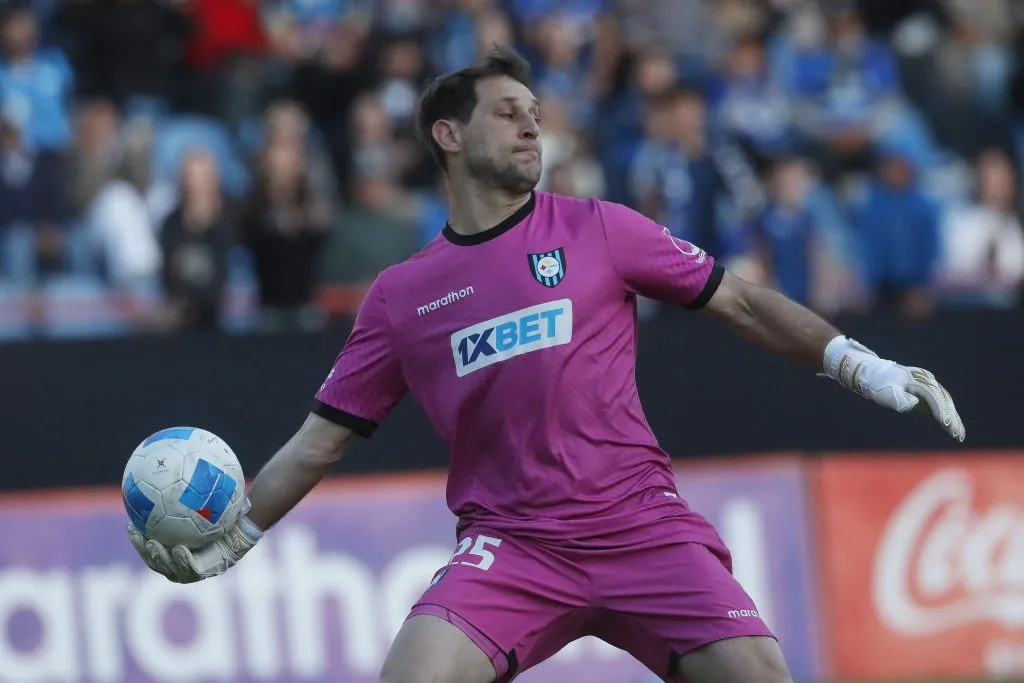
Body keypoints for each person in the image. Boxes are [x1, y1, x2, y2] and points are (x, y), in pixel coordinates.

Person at [127, 48, 965, 683]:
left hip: (643, 527)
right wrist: (234, 537)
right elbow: (317, 443)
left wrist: (865, 366)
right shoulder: (401, 296)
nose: (534, 126)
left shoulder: (600, 226)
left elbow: (743, 301)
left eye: (536, 111)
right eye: (508, 113)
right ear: (448, 136)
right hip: (511, 547)